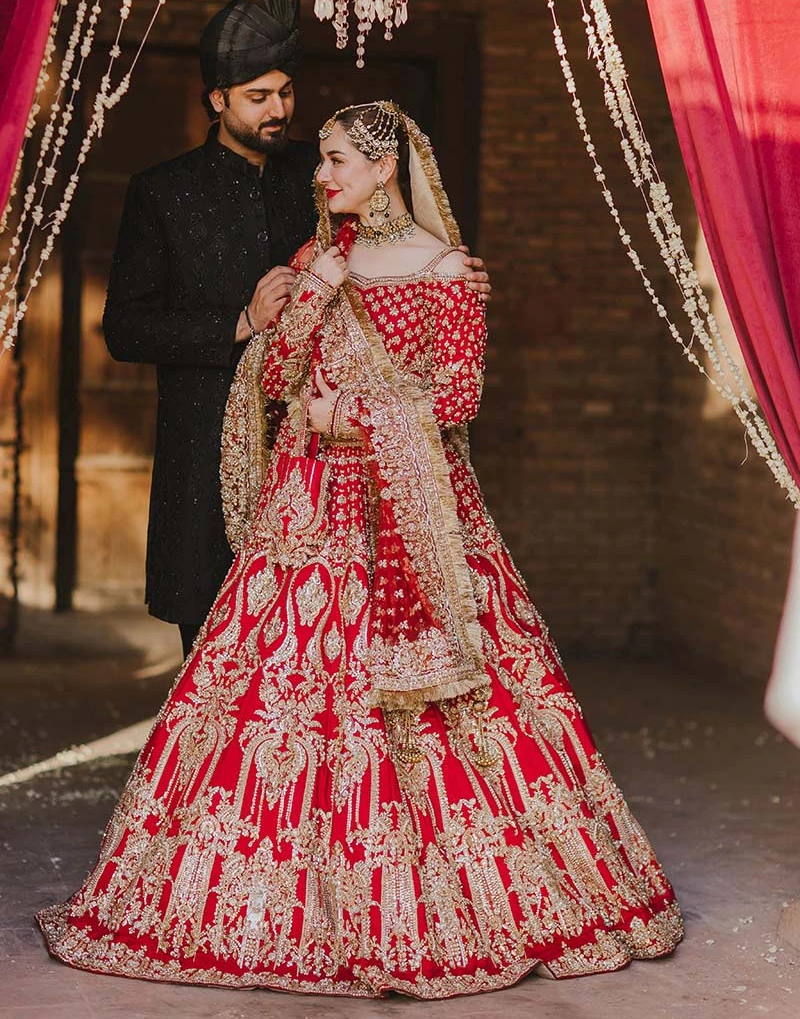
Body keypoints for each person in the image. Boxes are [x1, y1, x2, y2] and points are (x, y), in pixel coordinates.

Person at [38, 101, 682, 995]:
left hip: (410, 517)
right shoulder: (317, 259)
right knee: (268, 704)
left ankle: (460, 900)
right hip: (302, 521)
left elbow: (456, 399)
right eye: (321, 165)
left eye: (338, 161)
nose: (323, 176)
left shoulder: (449, 270)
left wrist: (359, 416)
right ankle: (255, 905)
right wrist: (314, 301)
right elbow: (272, 371)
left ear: (387, 168)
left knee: (454, 704)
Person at [102, 0, 492, 658]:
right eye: (258, 97)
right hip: (207, 430)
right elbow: (124, 327)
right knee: (213, 640)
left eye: (286, 91)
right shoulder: (163, 193)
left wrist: (455, 273)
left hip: (316, 454)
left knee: (311, 650)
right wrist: (239, 323)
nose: (279, 110)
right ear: (217, 99)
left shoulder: (319, 176)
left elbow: (390, 252)